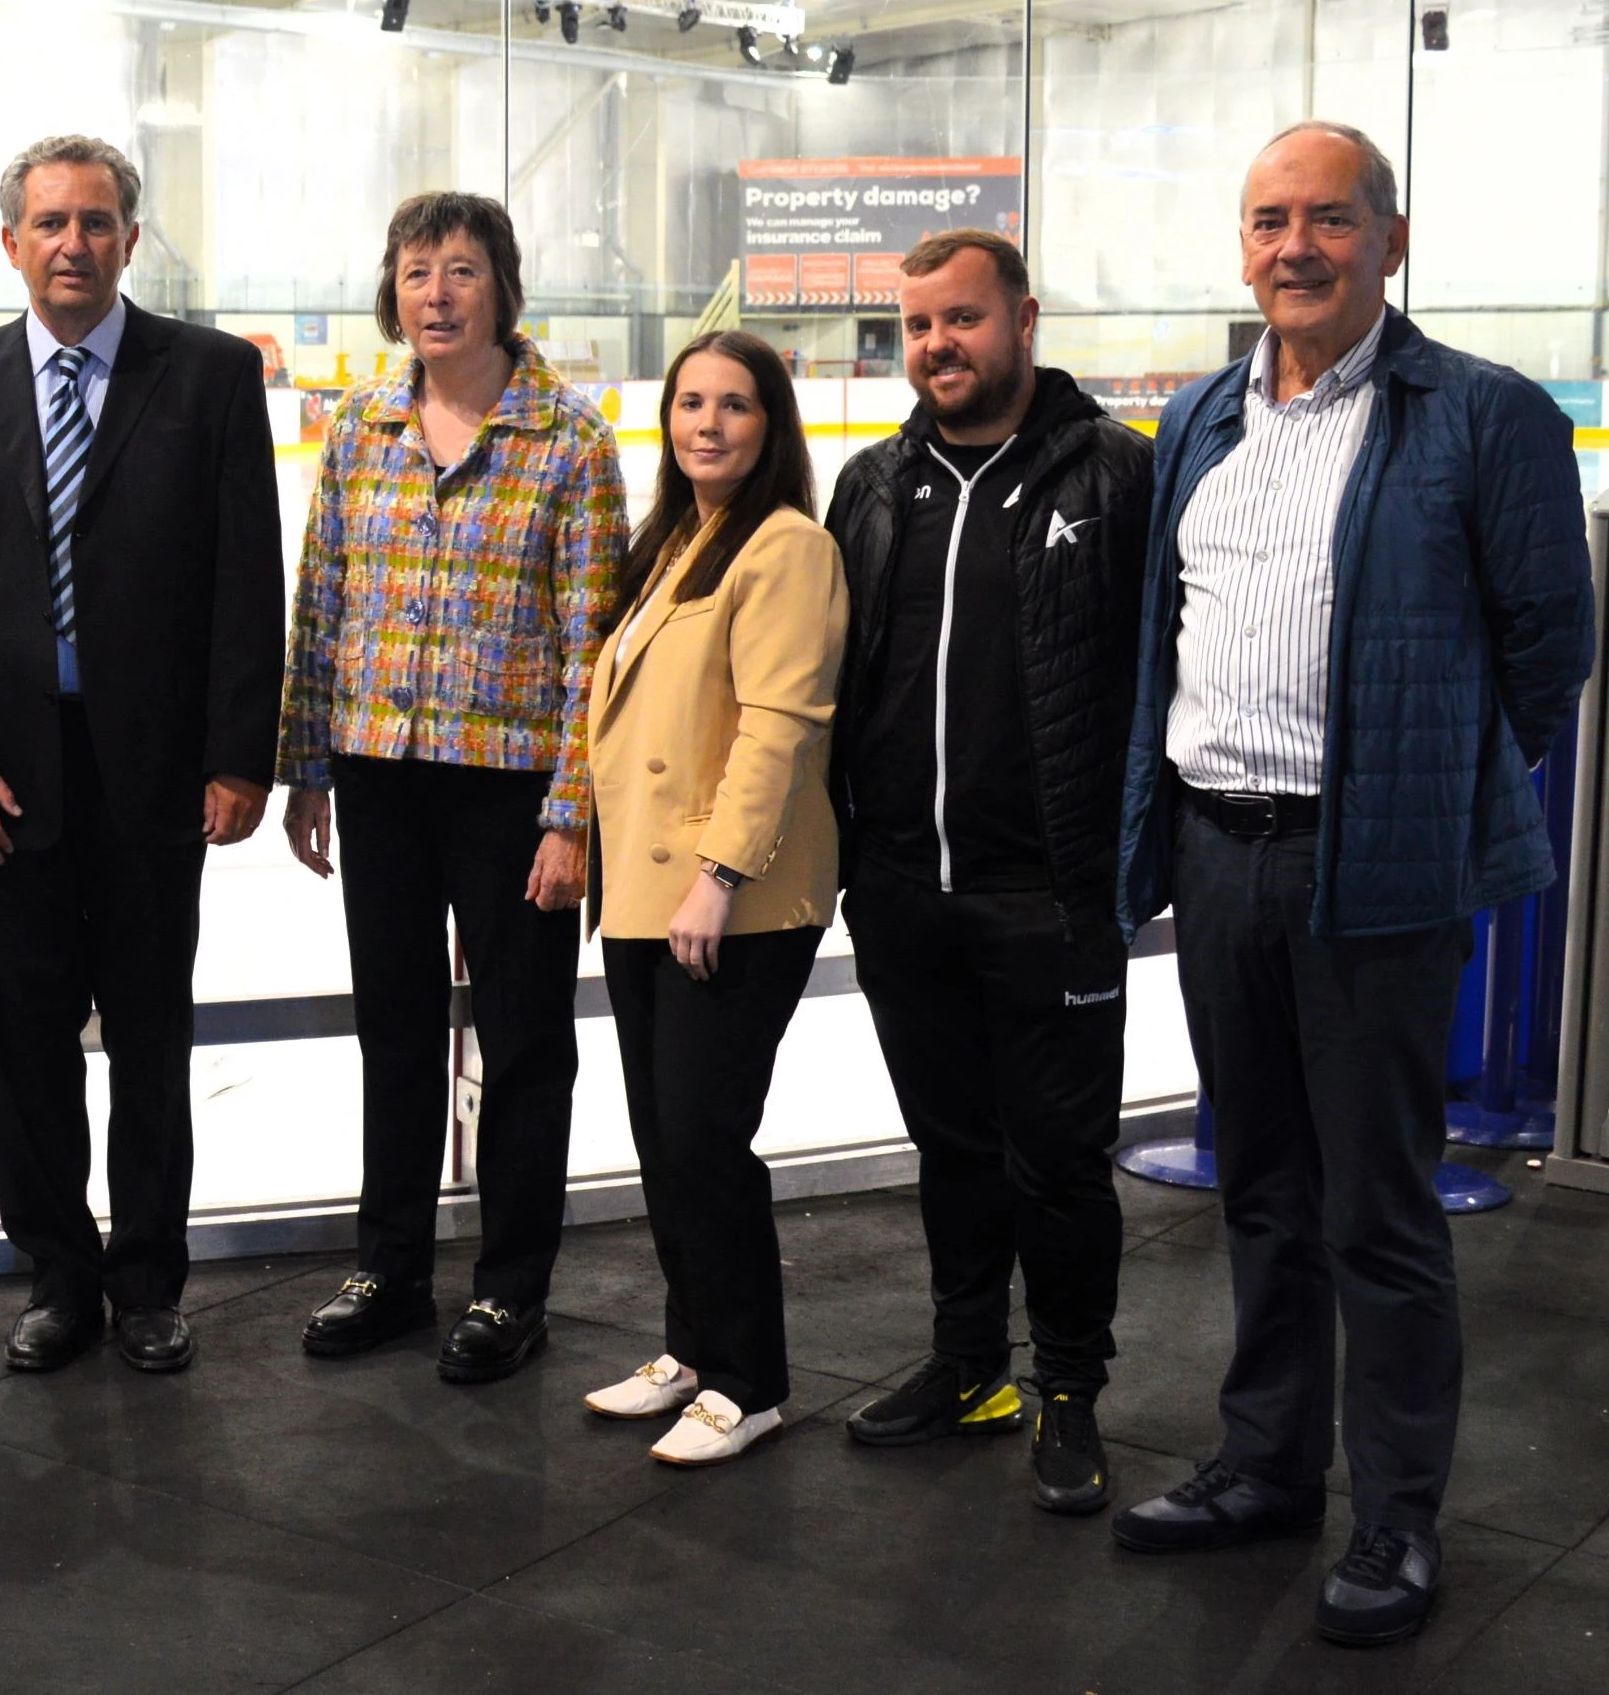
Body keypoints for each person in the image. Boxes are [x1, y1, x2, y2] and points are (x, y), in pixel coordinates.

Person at [1110, 123, 1592, 1646]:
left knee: (1378, 1207)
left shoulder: (1481, 413)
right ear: (1241, 245)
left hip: (1367, 861)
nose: (1295, 248)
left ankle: (1397, 1515)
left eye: (1328, 219)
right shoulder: (1200, 417)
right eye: (1270, 221)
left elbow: (1549, 647)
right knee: (1260, 1182)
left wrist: (1434, 791)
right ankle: (1265, 1464)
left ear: (1392, 238)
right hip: (1218, 846)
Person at [0, 135, 284, 1376]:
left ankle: (149, 1280)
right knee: (26, 1040)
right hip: (2, 780)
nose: (75, 243)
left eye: (98, 221)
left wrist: (237, 756)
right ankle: (58, 1273)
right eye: (51, 223)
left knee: (151, 1040)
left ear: (128, 236)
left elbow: (243, 578)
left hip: (153, 776)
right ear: (10, 242)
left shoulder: (209, 375)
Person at [824, 229, 1153, 1514]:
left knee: (1057, 1164)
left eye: (959, 320)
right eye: (914, 327)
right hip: (906, 890)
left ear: (1022, 316)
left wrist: (1131, 857)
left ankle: (1067, 1386)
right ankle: (969, 1365)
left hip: (1049, 894)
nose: (935, 347)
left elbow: (1160, 670)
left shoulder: (1111, 478)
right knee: (948, 1147)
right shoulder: (871, 484)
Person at [273, 192, 621, 1381]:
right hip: (377, 770)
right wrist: (304, 762)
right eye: (416, 270)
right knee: (396, 1028)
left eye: (460, 270)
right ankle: (392, 1265)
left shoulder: (565, 440)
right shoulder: (360, 424)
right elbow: (319, 597)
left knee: (524, 1041)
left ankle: (511, 1287)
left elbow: (593, 642)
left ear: (501, 290)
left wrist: (571, 810)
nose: (434, 293)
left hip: (510, 784)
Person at [579, 330, 845, 1467]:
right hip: (644, 890)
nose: (706, 423)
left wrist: (716, 877)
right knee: (661, 1139)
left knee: (703, 1136)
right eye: (688, 402)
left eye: (733, 405)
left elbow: (776, 730)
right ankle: (689, 1348)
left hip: (729, 898)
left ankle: (748, 1379)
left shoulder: (783, 548)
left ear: (768, 424)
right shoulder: (673, 546)